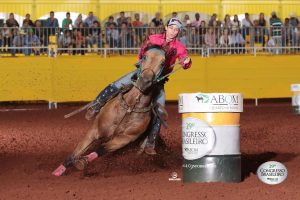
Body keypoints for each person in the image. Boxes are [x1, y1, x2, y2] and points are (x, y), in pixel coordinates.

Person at [85, 18, 192, 155]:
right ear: (166, 28)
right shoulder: (153, 39)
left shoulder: (179, 47)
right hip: (142, 74)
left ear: (178, 32)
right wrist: (143, 67)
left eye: (176, 30)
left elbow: (184, 62)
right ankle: (96, 105)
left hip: (157, 81)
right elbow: (142, 53)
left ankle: (150, 142)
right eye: (171, 28)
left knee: (159, 111)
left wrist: (187, 61)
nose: (173, 31)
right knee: (117, 85)